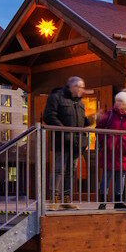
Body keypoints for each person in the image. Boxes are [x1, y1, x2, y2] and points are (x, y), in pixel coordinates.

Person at [42, 76, 93, 210]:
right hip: (61, 141)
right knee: (58, 170)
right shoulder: (56, 97)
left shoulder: (80, 103)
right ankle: (54, 201)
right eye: (81, 87)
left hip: (76, 144)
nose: (82, 90)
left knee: (71, 171)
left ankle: (66, 201)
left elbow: (81, 123)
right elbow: (48, 116)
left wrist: (91, 119)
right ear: (73, 87)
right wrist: (64, 130)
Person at [96, 90, 126, 210]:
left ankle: (118, 201)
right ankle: (103, 201)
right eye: (116, 101)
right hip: (109, 151)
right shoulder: (109, 114)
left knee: (120, 177)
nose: (116, 103)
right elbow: (98, 128)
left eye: (119, 101)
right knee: (106, 175)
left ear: (125, 103)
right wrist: (103, 142)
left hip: (122, 152)